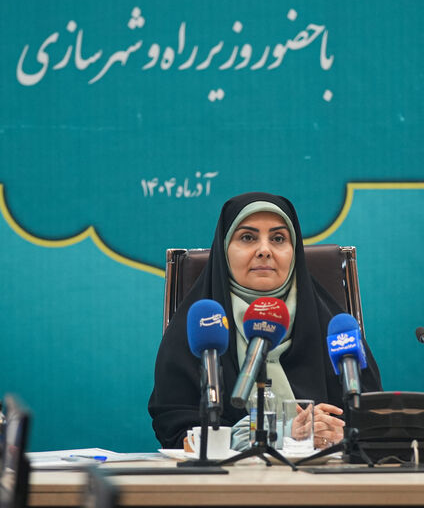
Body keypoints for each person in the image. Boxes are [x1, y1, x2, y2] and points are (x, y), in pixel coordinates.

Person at [149, 192, 382, 450]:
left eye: (278, 238)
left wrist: (341, 434)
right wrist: (283, 434)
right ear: (224, 250)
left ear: (294, 251)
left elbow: (373, 420)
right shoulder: (201, 327)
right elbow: (178, 435)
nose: (264, 250)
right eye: (248, 238)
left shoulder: (336, 330)